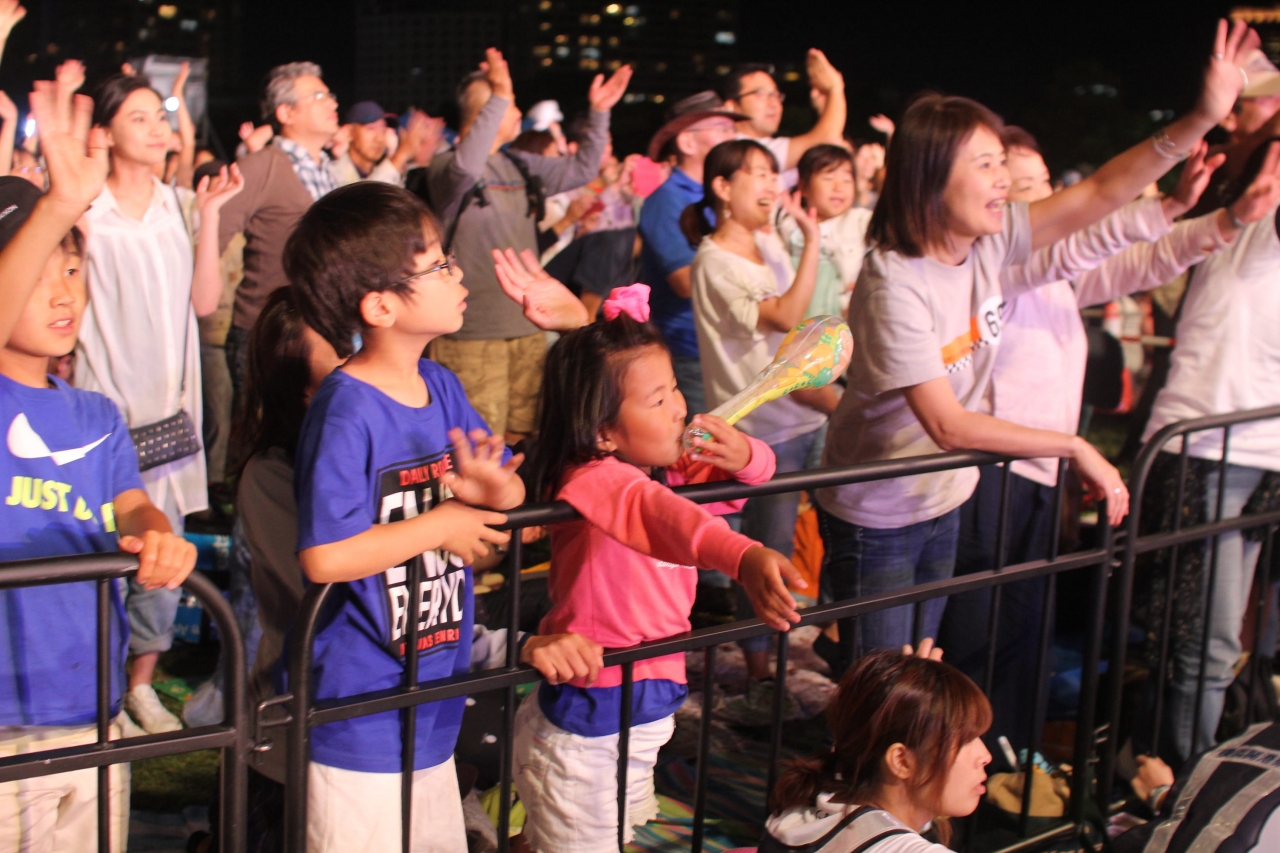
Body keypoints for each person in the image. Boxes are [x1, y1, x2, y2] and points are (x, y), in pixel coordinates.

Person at [815, 20, 1257, 663]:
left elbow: (1100, 193)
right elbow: (947, 425)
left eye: (1003, 164)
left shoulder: (986, 244)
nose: (1002, 181)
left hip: (941, 494)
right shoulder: (895, 282)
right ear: (930, 179)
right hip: (877, 507)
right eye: (986, 165)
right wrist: (1073, 444)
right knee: (879, 682)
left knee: (918, 670)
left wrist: (1200, 118)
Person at [938, 124, 1280, 750]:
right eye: (1022, 188)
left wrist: (1218, 220)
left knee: (1023, 633)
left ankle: (1006, 758)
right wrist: (1191, 204)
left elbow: (1150, 260)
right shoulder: (996, 266)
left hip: (1041, 471)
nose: (1047, 200)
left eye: (1045, 183)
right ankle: (956, 760)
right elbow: (1098, 235)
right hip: (990, 469)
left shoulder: (1062, 278)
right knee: (977, 633)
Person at [285, 181, 593, 852]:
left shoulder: (442, 385)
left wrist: (497, 491)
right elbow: (325, 555)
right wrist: (443, 523)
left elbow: (508, 492)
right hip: (361, 707)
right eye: (439, 265)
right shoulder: (346, 408)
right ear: (380, 305)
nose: (458, 275)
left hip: (434, 688)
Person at [513, 285, 804, 852]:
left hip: (644, 698)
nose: (678, 408)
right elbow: (664, 517)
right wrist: (741, 555)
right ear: (602, 431)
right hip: (594, 706)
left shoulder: (656, 468)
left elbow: (743, 482)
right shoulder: (593, 479)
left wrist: (744, 455)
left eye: (674, 389)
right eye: (657, 400)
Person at [0, 75, 195, 852]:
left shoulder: (94, 412)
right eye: (40, 270)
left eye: (74, 270)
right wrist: (56, 207)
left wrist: (156, 532)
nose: (63, 293)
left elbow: (128, 502)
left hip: (91, 705)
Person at [73, 73, 244, 735]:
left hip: (169, 414)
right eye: (138, 117)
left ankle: (139, 685)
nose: (155, 128)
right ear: (105, 131)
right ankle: (95, 690)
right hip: (101, 407)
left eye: (159, 115)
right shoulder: (86, 205)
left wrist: (211, 217)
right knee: (97, 553)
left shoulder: (179, 202)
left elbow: (204, 303)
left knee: (160, 554)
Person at [1133, 125, 1280, 764]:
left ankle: (1153, 763)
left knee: (1213, 642)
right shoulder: (1244, 230)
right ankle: (1188, 790)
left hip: (1262, 460)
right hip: (1205, 454)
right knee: (1207, 644)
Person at [685, 139, 831, 721]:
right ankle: (760, 675)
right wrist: (813, 241)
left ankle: (783, 656)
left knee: (803, 541)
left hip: (804, 413)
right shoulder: (715, 260)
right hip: (763, 430)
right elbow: (788, 317)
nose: (772, 186)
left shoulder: (765, 243)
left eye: (775, 174)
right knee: (764, 553)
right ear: (722, 187)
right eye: (758, 175)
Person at [427, 48, 630, 443]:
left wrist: (599, 113)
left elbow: (583, 169)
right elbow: (466, 168)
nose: (516, 110)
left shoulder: (518, 164)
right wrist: (500, 95)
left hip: (528, 327)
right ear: (485, 110)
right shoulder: (444, 168)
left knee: (528, 438)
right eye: (508, 103)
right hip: (472, 334)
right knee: (478, 443)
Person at [762, 642, 992, 852]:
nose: (985, 756)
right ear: (901, 761)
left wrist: (916, 698)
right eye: (966, 740)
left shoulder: (797, 815)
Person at [217, 61, 339, 419]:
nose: (332, 102)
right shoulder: (260, 167)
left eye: (329, 95)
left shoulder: (327, 168)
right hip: (271, 332)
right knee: (268, 438)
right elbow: (210, 238)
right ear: (286, 112)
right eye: (318, 96)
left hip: (322, 327)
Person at [638, 91, 742, 418]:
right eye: (722, 129)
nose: (733, 137)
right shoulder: (666, 200)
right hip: (690, 350)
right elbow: (685, 282)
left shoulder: (719, 196)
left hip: (727, 343)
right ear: (687, 142)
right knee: (705, 441)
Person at [721, 51, 847, 191]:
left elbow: (830, 146)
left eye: (776, 95)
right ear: (732, 107)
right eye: (761, 94)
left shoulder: (771, 149)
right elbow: (825, 139)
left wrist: (825, 109)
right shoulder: (739, 151)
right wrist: (835, 89)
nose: (774, 103)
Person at [778, 143, 873, 318]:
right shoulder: (786, 225)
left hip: (844, 320)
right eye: (828, 178)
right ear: (804, 187)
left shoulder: (860, 220)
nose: (839, 187)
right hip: (798, 321)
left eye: (847, 180)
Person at [329, 100, 434, 188]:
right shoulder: (332, 172)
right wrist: (402, 155)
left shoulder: (378, 170)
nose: (379, 138)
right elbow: (365, 198)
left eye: (383, 130)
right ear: (350, 132)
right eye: (371, 129)